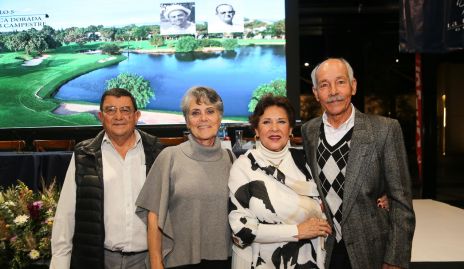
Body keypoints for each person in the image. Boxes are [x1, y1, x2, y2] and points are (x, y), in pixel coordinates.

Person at [301, 58, 415, 269]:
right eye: (324, 85)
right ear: (316, 93)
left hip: (371, 249)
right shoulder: (308, 131)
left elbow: (401, 201)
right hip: (325, 248)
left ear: (353, 86)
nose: (333, 91)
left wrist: (395, 259)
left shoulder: (385, 130)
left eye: (340, 82)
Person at [50, 88, 163, 269]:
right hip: (99, 260)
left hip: (148, 261)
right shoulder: (84, 154)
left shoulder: (157, 152)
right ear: (101, 117)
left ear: (136, 116)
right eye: (111, 110)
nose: (118, 116)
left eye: (125, 110)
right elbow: (66, 216)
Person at [228, 94, 332, 269]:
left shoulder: (307, 161)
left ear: (291, 129)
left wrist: (379, 195)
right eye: (266, 122)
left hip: (308, 261)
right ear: (256, 130)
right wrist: (297, 231)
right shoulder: (243, 167)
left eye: (281, 122)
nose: (274, 128)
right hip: (259, 262)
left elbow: (332, 198)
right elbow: (241, 229)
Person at [136, 86, 233, 268]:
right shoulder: (169, 157)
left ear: (219, 117)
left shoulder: (232, 160)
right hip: (177, 262)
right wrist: (156, 263)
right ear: (187, 121)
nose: (203, 118)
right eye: (195, 113)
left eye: (210, 111)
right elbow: (153, 217)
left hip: (224, 261)